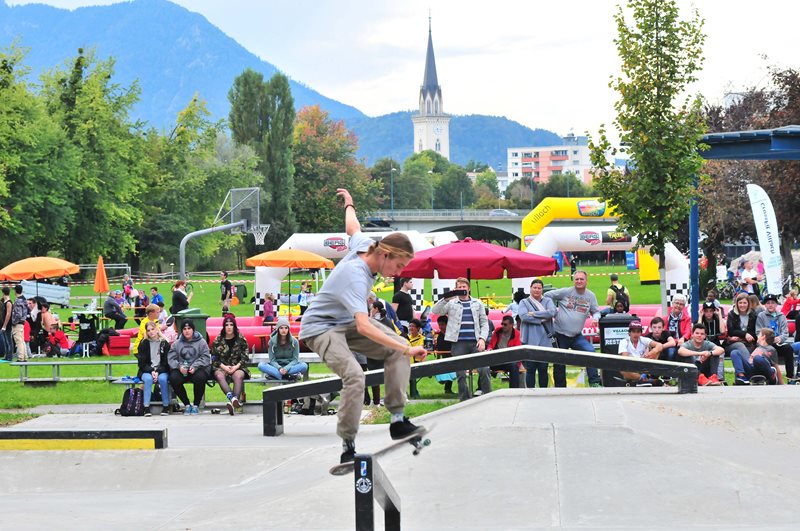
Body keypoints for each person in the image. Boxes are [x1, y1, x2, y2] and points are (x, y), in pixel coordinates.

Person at [299, 188, 425, 465]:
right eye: (399, 266)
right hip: (320, 329)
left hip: (345, 323)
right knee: (356, 375)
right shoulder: (355, 277)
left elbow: (352, 227)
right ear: (387, 255)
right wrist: (407, 347)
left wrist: (349, 203)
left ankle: (397, 420)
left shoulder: (367, 245)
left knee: (399, 351)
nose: (400, 273)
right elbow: (365, 327)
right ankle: (348, 444)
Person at [431, 277, 491, 401]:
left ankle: (489, 396)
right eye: (459, 287)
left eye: (464, 287)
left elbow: (484, 323)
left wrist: (482, 339)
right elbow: (435, 311)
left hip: (475, 342)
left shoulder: (477, 303)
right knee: (460, 373)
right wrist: (447, 297)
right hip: (458, 343)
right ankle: (464, 399)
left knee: (484, 369)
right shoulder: (451, 303)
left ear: (469, 288)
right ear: (455, 289)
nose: (462, 289)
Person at [544, 270, 603, 387]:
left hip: (576, 336)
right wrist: (552, 311)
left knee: (591, 352)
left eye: (581, 279)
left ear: (586, 281)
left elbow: (596, 311)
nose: (579, 281)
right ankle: (560, 388)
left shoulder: (591, 296)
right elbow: (546, 295)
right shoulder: (566, 291)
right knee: (560, 361)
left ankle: (594, 382)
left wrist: (596, 318)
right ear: (573, 280)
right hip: (560, 334)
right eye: (577, 279)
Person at [168, 320, 212, 415]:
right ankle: (187, 404)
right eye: (184, 329)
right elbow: (171, 358)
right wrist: (179, 366)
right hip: (182, 369)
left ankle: (196, 404)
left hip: (197, 368)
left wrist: (195, 366)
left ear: (193, 330)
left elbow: (206, 357)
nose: (187, 331)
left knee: (200, 378)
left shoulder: (201, 342)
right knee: (173, 378)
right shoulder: (177, 343)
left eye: (189, 328)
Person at [518, 278, 557, 388]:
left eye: (539, 288)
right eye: (534, 287)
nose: (537, 290)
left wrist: (533, 314)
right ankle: (530, 391)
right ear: (530, 288)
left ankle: (543, 391)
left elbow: (552, 312)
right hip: (530, 339)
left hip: (545, 339)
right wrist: (541, 319)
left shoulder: (548, 301)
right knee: (530, 368)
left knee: (543, 368)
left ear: (542, 290)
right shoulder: (524, 302)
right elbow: (524, 316)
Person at [211, 314, 250, 415]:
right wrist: (224, 367)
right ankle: (233, 399)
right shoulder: (218, 340)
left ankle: (234, 400)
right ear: (224, 327)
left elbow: (245, 356)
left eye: (231, 325)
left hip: (238, 366)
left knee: (238, 375)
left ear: (234, 326)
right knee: (219, 375)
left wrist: (236, 366)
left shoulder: (240, 338)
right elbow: (214, 357)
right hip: (222, 366)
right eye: (226, 325)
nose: (229, 327)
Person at [755, 294, 794, 380]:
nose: (770, 305)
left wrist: (779, 338)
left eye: (773, 303)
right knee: (767, 350)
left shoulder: (781, 316)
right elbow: (758, 332)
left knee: (788, 348)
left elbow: (785, 332)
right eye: (768, 303)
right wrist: (766, 340)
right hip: (766, 344)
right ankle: (769, 376)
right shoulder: (761, 316)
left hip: (777, 342)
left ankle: (790, 376)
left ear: (776, 304)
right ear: (765, 305)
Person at [136, 321, 171, 416]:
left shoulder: (164, 343)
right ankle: (146, 407)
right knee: (148, 379)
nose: (151, 332)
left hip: (162, 370)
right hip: (147, 370)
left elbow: (166, 363)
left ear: (157, 329)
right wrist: (152, 371)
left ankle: (166, 406)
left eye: (153, 329)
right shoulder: (143, 344)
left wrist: (158, 372)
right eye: (148, 330)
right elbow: (141, 363)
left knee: (163, 379)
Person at [258, 317, 307, 382]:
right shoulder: (271, 342)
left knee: (304, 366)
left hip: (290, 367)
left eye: (286, 328)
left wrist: (286, 368)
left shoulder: (295, 342)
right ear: (278, 329)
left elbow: (295, 360)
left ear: (288, 329)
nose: (284, 330)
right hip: (276, 367)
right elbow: (272, 360)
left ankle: (277, 376)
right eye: (281, 328)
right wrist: (279, 368)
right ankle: (288, 376)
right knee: (261, 365)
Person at [618, 320, 663, 385]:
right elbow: (625, 359)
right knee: (623, 370)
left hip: (643, 366)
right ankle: (643, 380)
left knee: (657, 351)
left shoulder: (643, 339)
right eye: (633, 331)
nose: (636, 334)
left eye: (638, 332)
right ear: (629, 333)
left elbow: (660, 345)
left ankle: (642, 379)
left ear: (641, 333)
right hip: (631, 367)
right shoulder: (624, 341)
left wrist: (650, 353)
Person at [487, 315, 522, 388]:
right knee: (484, 366)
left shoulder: (517, 334)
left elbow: (517, 351)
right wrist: (489, 349)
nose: (503, 326)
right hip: (496, 360)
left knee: (514, 366)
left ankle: (514, 390)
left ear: (511, 325)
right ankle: (481, 389)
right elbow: (491, 344)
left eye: (505, 324)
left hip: (509, 361)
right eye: (502, 324)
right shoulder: (497, 331)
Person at [698, 301, 727, 382]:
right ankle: (702, 376)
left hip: (715, 345)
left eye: (711, 311)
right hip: (703, 345)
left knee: (720, 353)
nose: (708, 313)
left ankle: (719, 377)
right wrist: (700, 316)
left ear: (714, 311)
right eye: (706, 311)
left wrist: (720, 315)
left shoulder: (717, 319)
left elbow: (722, 331)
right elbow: (698, 330)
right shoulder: (701, 320)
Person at [433, 315, 455, 394]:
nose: (441, 326)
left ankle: (448, 389)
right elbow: (439, 349)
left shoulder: (452, 334)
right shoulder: (439, 336)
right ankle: (447, 389)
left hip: (453, 356)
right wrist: (438, 359)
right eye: (439, 325)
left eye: (443, 324)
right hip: (445, 357)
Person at [406, 318, 425, 398]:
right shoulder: (406, 338)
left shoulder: (422, 338)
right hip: (408, 361)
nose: (411, 328)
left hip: (418, 361)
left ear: (418, 328)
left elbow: (420, 349)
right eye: (410, 326)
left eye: (413, 326)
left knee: (412, 374)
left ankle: (414, 393)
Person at [10, 285, 28, 361]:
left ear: (15, 291)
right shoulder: (24, 299)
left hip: (18, 323)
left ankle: (20, 357)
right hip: (23, 322)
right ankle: (25, 356)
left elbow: (18, 314)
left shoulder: (18, 301)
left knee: (18, 341)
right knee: (22, 340)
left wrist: (14, 322)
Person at [0, 287, 13, 361]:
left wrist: (4, 325)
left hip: (7, 324)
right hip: (4, 323)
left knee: (8, 340)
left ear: (3, 293)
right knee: (5, 340)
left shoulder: (8, 302)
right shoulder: (4, 302)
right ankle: (7, 355)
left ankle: (10, 356)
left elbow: (8, 314)